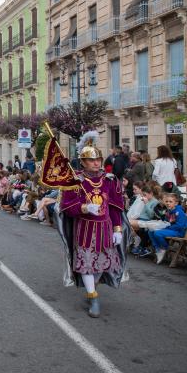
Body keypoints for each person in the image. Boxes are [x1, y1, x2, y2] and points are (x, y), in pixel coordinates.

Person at [57, 131, 128, 318]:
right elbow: (66, 207)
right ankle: (93, 297)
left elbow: (115, 207)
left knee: (101, 265)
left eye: (98, 159)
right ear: (83, 162)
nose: (96, 163)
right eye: (91, 160)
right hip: (85, 230)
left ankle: (92, 289)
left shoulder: (109, 180)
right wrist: (84, 208)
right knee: (87, 263)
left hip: (106, 228)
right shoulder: (75, 181)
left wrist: (117, 229)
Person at [147, 193, 187, 264]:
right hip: (169, 229)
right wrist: (159, 225)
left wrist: (166, 227)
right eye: (166, 201)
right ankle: (158, 249)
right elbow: (166, 222)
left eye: (170, 202)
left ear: (176, 203)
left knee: (157, 233)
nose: (168, 203)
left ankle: (164, 248)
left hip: (178, 232)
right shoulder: (168, 211)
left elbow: (180, 226)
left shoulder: (179, 212)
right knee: (150, 231)